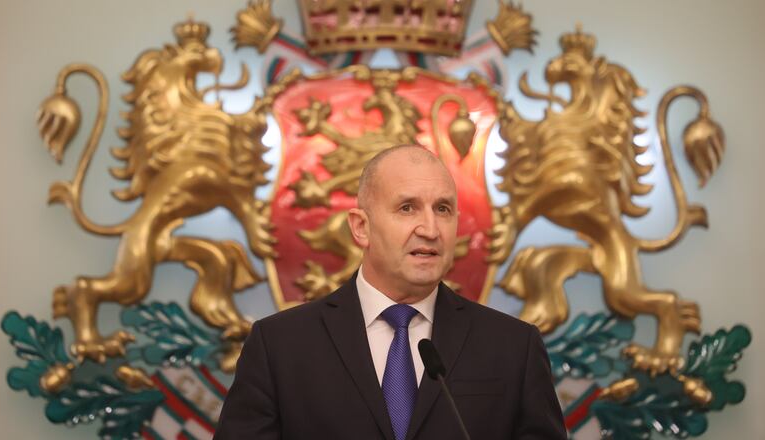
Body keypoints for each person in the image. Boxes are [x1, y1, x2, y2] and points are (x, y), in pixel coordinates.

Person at [214, 144, 567, 439]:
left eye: (442, 209)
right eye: (407, 208)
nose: (430, 229)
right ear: (361, 228)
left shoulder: (514, 347)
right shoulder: (280, 345)